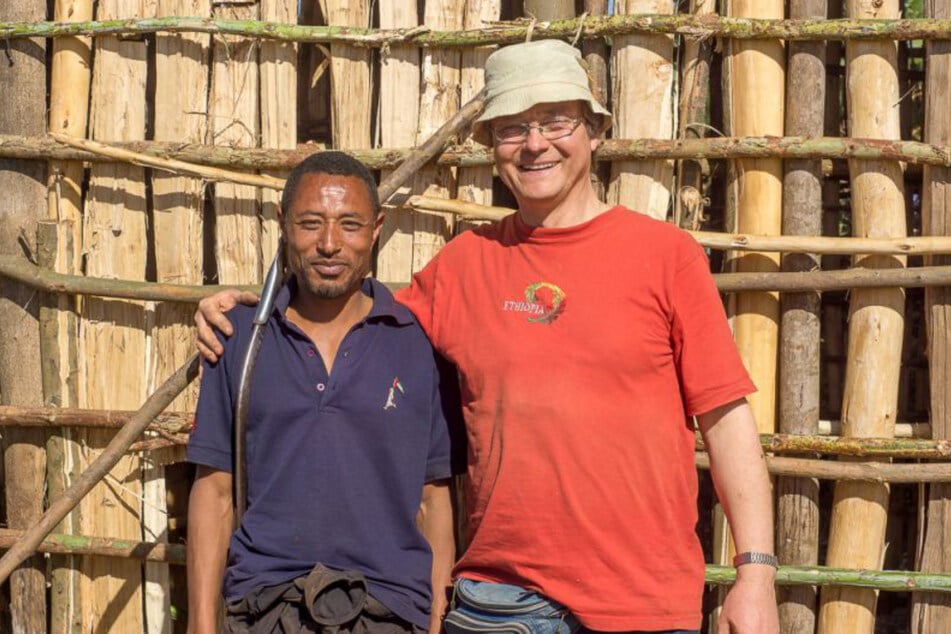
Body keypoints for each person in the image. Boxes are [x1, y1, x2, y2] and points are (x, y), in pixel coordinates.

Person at [195, 40, 779, 634]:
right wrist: (244, 307)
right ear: (492, 147)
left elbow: (728, 422)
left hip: (640, 599)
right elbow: (347, 308)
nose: (534, 143)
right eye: (511, 127)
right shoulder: (465, 265)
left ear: (595, 132)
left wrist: (755, 572)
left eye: (555, 121)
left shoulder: (666, 256)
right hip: (498, 601)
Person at [186, 151, 462, 634]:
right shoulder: (240, 340)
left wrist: (436, 621)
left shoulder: (417, 342)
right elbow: (215, 492)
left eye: (349, 225)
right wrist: (201, 626)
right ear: (283, 224)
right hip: (266, 608)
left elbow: (433, 500)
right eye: (311, 223)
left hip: (388, 612)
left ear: (376, 229)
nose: (329, 244)